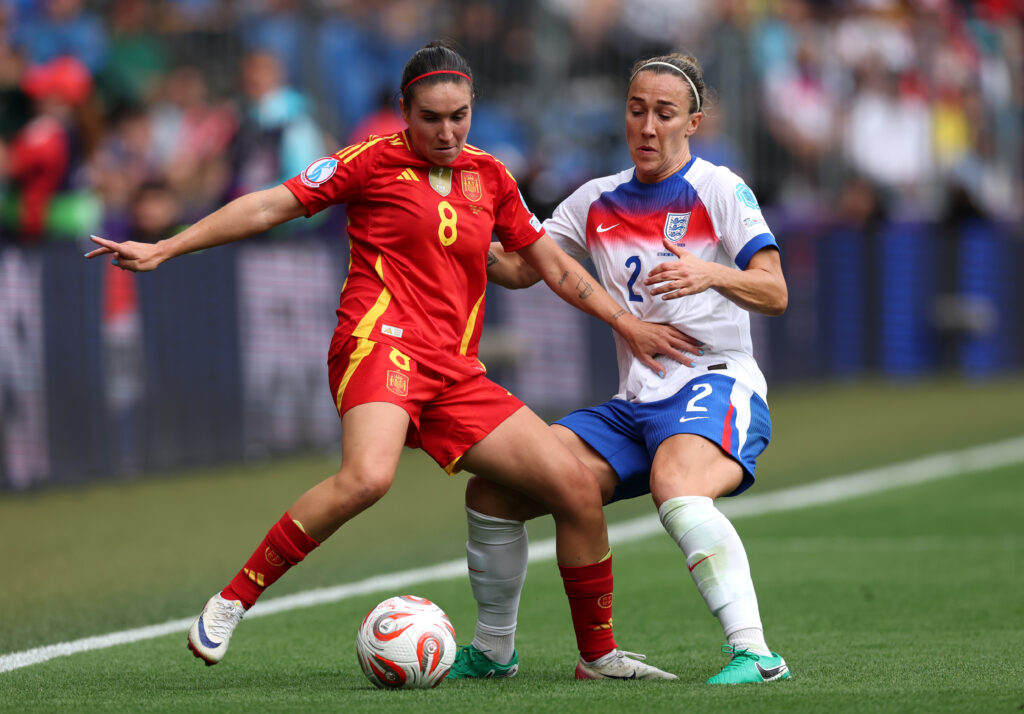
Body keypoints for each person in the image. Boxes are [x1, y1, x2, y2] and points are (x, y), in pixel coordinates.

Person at [84, 41, 697, 680]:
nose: (446, 131)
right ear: (404, 111)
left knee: (573, 486)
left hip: (456, 371)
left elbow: (551, 265)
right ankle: (232, 601)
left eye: (459, 116)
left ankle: (597, 657)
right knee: (368, 478)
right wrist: (167, 247)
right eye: (431, 117)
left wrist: (627, 323)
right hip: (380, 343)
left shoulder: (490, 176)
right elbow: (270, 204)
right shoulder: (370, 161)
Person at [451, 53, 791, 685]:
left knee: (677, 484)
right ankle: (495, 650)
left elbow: (774, 292)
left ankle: (757, 655)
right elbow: (524, 267)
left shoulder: (718, 187)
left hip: (714, 380)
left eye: (664, 114)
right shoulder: (593, 200)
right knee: (496, 491)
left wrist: (709, 270)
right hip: (635, 402)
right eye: (637, 110)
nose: (648, 126)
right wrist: (453, 235)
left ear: (693, 121)